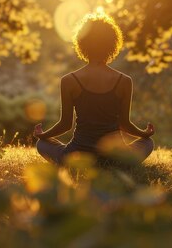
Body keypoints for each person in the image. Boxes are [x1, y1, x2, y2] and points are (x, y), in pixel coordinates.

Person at [34, 12, 155, 165]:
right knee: (148, 143)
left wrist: (43, 135)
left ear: (82, 43)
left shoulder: (69, 81)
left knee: (42, 144)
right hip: (114, 159)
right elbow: (124, 124)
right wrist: (144, 133)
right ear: (112, 44)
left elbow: (65, 124)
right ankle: (116, 166)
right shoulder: (124, 81)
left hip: (77, 157)